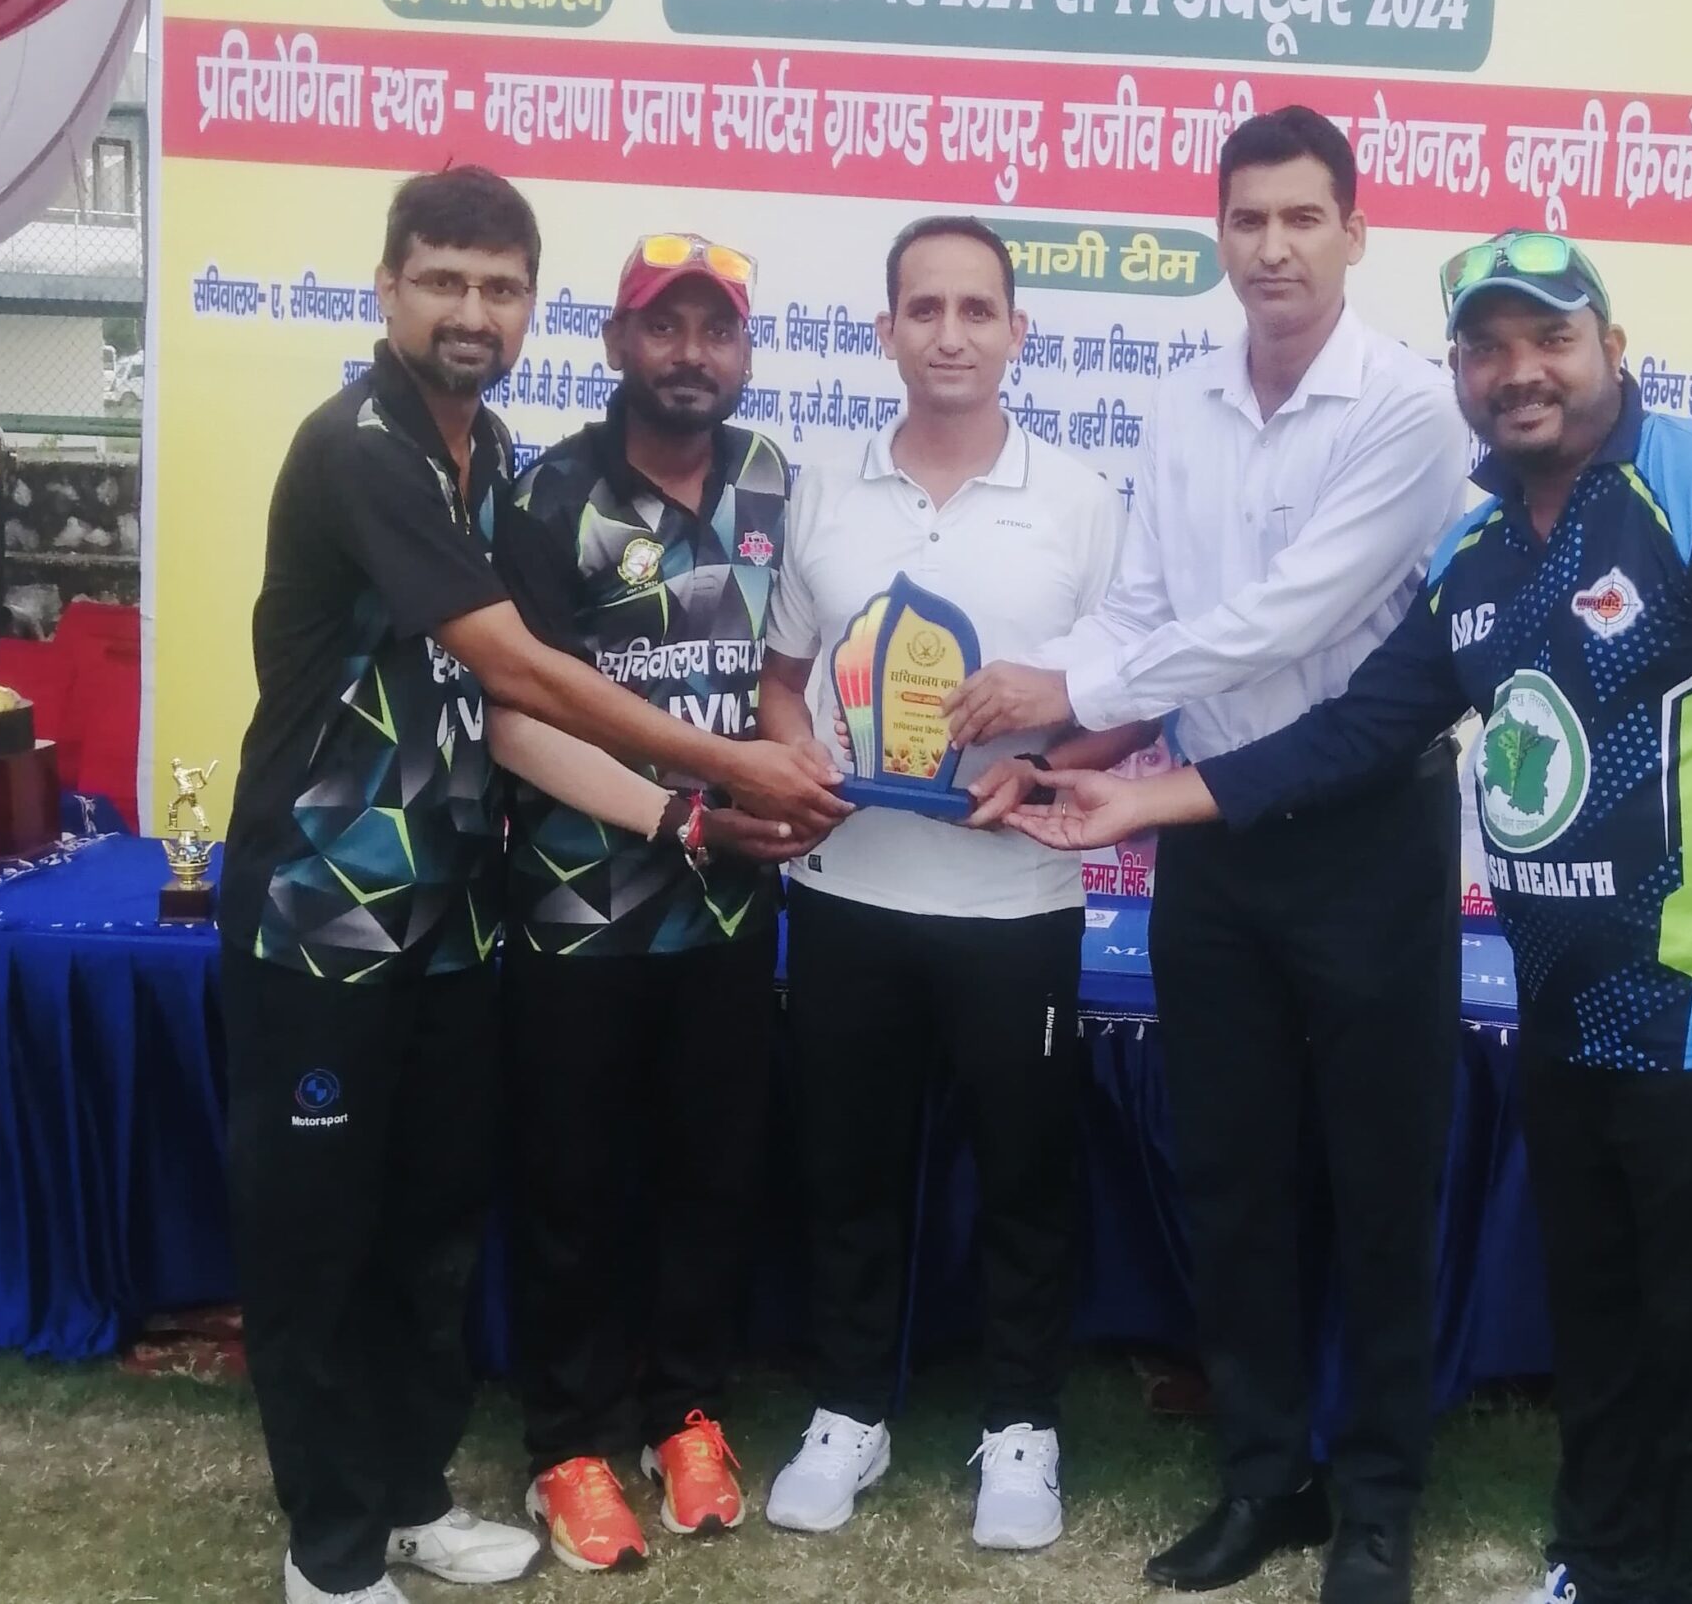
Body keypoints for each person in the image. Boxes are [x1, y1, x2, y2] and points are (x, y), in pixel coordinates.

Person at [1007, 231, 1692, 1604]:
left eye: (1551, 338)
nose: (1519, 370)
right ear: (1460, 372)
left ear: (1612, 347)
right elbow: (1357, 731)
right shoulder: (1477, 549)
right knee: (1600, 1331)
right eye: (1488, 347)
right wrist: (1138, 797)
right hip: (1566, 1018)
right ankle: (1593, 1565)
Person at [220, 167, 846, 1604]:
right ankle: (331, 1551)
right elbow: (514, 670)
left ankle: (410, 1496)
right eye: (442, 280)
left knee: (433, 1227)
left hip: (452, 907)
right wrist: (723, 773)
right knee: (321, 1241)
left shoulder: (485, 452)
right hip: (323, 910)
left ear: (530, 309)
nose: (471, 311)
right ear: (387, 289)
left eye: (499, 288)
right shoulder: (360, 447)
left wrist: (716, 793)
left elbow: (522, 715)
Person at [943, 107, 1474, 1604]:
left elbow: (1281, 619)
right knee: (1233, 1174)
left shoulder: (1410, 410)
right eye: (1248, 220)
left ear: (1356, 232)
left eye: (1304, 218)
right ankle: (1263, 1479)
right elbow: (1149, 616)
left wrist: (1070, 683)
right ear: (1218, 234)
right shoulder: (1180, 404)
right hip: (1211, 840)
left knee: (1378, 1183)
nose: (1273, 248)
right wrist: (1047, 724)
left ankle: (1380, 1500)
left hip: (1365, 833)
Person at [754, 215, 1145, 1551]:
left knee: (1025, 1173)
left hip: (1012, 908)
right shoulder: (824, 492)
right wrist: (793, 754)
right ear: (884, 332)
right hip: (848, 892)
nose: (951, 333)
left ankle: (1021, 1424)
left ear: (1018, 333)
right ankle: (849, 1408)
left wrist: (1041, 776)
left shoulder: (1081, 504)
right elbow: (783, 679)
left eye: (978, 309)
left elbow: (1129, 704)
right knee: (847, 1166)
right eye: (924, 309)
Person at [488, 234, 810, 1572]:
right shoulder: (547, 495)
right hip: (579, 908)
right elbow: (515, 718)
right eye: (661, 327)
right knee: (571, 1185)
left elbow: (783, 670)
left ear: (743, 351)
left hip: (729, 913)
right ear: (616, 343)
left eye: (715, 330)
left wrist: (800, 777)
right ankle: (568, 1442)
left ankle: (686, 1412)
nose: (689, 353)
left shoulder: (770, 476)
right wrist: (686, 814)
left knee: (712, 1176)